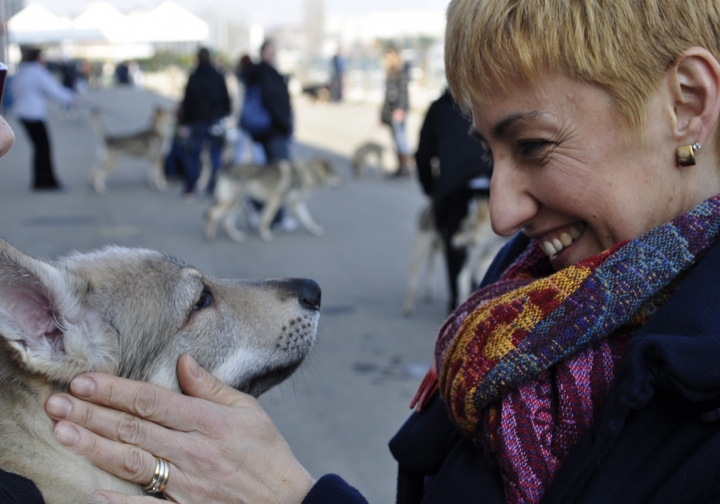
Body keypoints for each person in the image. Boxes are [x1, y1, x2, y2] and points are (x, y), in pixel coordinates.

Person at [5, 0, 720, 502]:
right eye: (488, 150)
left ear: (688, 101)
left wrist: (291, 499)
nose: (502, 211)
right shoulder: (542, 289)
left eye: (534, 145)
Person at [415, 88, 493, 312]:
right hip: (491, 182)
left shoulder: (439, 108)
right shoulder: (489, 98)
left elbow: (423, 154)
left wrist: (431, 189)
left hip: (453, 188)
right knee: (491, 244)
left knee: (454, 244)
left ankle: (457, 306)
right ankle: (488, 298)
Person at [239, 39, 295, 230]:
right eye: (269, 51)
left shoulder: (260, 72)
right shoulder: (266, 73)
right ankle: (274, 217)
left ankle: (260, 207)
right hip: (273, 131)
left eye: (274, 51)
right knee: (282, 176)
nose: (273, 54)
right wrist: (284, 123)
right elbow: (273, 101)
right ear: (262, 53)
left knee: (272, 174)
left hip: (267, 131)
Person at [11, 47, 75, 190]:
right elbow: (53, 91)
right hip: (33, 114)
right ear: (37, 58)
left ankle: (40, 180)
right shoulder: (37, 72)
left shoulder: (22, 71)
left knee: (40, 147)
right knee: (43, 148)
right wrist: (72, 97)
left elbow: (14, 91)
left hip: (23, 113)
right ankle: (46, 181)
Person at [179, 47, 231, 197]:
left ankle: (191, 186)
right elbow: (226, 99)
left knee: (193, 155)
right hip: (215, 120)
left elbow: (187, 102)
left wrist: (184, 122)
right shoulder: (218, 76)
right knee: (215, 155)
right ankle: (214, 187)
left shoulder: (194, 77)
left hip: (196, 121)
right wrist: (224, 115)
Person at [381, 46, 411, 177]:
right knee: (395, 139)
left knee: (401, 139)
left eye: (391, 54)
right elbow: (387, 96)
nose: (389, 57)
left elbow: (403, 93)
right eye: (388, 54)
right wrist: (382, 114)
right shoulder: (389, 71)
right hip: (390, 110)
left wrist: (400, 109)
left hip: (398, 110)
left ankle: (406, 168)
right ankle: (400, 167)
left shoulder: (401, 71)